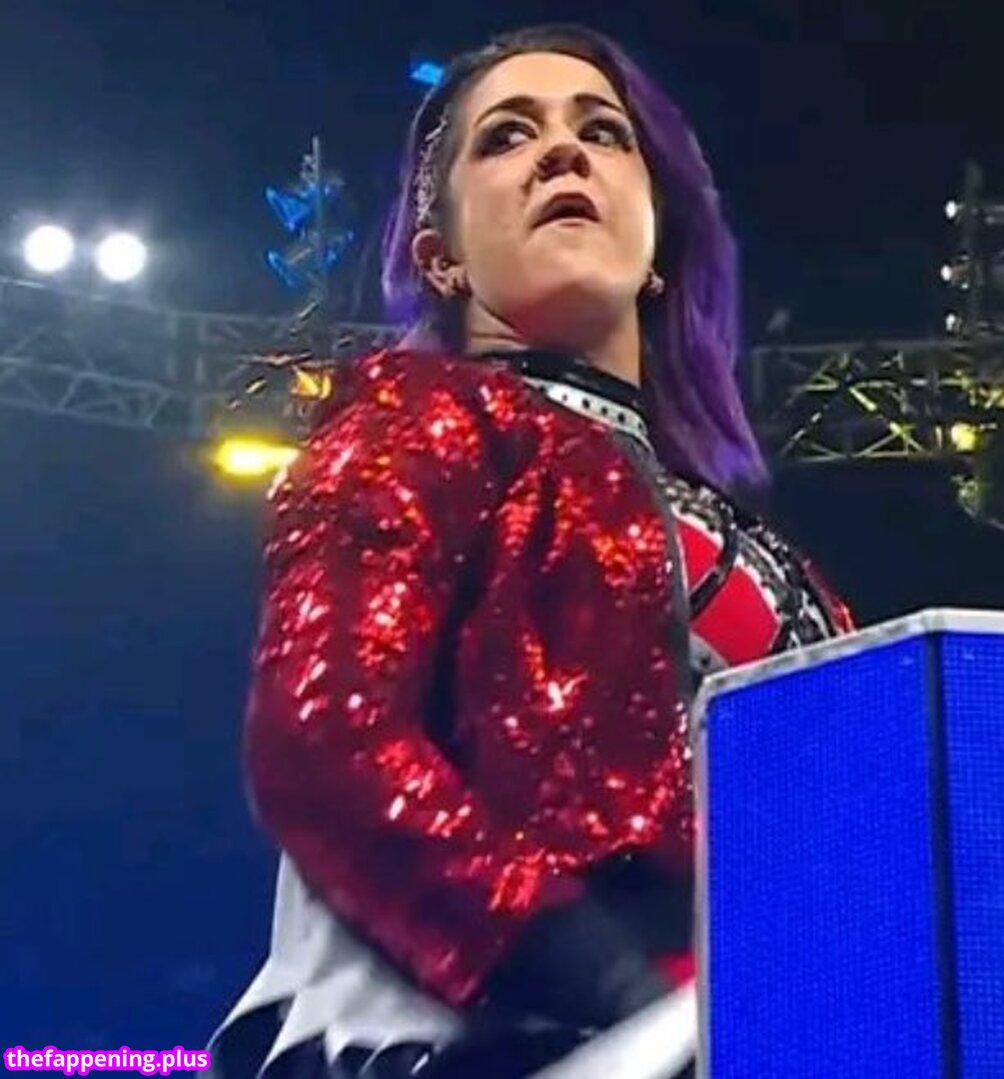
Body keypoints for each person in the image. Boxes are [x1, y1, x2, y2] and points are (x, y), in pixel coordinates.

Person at [205, 23, 854, 1079]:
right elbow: (325, 740)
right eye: (508, 136)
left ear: (659, 237)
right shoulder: (418, 425)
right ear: (442, 256)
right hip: (489, 1044)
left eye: (604, 132)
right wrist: (617, 993)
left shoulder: (773, 557)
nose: (563, 152)